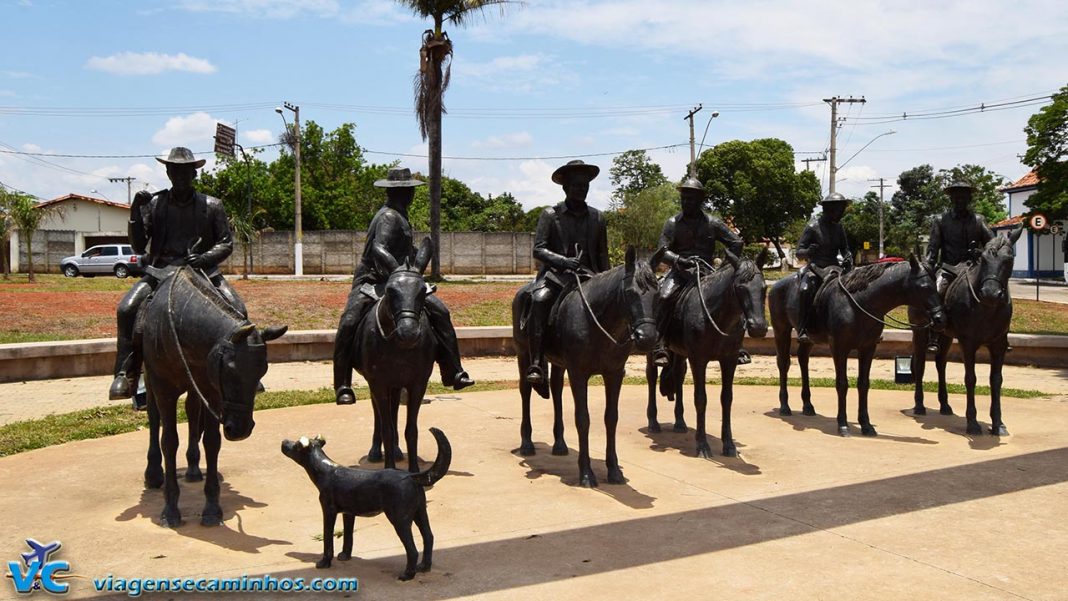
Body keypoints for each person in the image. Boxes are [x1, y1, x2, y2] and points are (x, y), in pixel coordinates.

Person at [109, 147, 246, 406]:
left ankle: (239, 368)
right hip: (162, 271)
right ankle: (125, 373)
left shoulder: (212, 205)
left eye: (185, 171)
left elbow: (225, 243)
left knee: (238, 309)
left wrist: (204, 258)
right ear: (168, 172)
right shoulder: (154, 204)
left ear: (194, 173)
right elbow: (139, 246)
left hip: (202, 271)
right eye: (175, 170)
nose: (180, 175)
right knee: (127, 310)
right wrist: (135, 213)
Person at [332, 167, 473, 405]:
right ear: (396, 192)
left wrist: (416, 263)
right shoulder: (388, 216)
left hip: (401, 280)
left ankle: (452, 370)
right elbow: (379, 250)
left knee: (440, 312)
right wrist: (399, 272)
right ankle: (342, 384)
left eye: (409, 190)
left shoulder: (401, 216)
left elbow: (403, 250)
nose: (410, 195)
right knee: (349, 322)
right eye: (406, 191)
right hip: (374, 280)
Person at [525, 160, 610, 390]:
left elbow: (603, 255)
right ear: (565, 188)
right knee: (539, 300)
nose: (581, 190)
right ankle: (536, 362)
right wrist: (564, 262)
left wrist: (607, 280)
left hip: (589, 276)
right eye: (576, 185)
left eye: (585, 186)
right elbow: (539, 249)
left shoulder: (598, 218)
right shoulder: (550, 215)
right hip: (556, 276)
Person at [651, 177, 743, 366]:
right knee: (663, 296)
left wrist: (725, 269)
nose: (686, 202)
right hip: (679, 271)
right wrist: (678, 260)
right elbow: (662, 251)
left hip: (707, 272)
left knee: (734, 296)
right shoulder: (672, 223)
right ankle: (660, 346)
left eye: (691, 199)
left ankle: (737, 345)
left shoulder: (712, 223)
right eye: (684, 198)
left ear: (700, 200)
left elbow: (736, 242)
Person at [924, 180, 994, 352]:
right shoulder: (940, 220)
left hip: (973, 268)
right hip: (949, 268)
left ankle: (1001, 333)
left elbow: (992, 244)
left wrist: (981, 252)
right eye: (957, 195)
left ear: (969, 198)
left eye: (964, 195)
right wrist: (927, 269)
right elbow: (932, 251)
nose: (960, 199)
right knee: (938, 292)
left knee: (996, 290)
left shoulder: (978, 220)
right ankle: (934, 333)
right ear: (951, 198)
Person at [794, 192, 853, 344]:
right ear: (829, 209)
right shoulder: (812, 227)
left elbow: (844, 248)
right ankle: (803, 328)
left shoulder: (839, 228)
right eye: (838, 210)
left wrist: (848, 256)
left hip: (834, 267)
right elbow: (799, 252)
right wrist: (808, 252)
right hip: (816, 267)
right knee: (805, 290)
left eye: (842, 210)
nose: (840, 214)